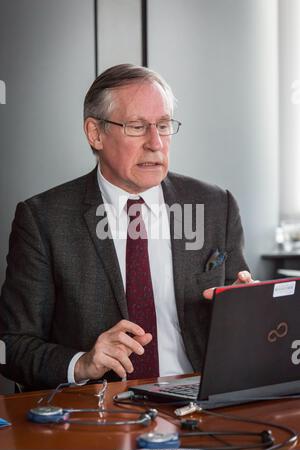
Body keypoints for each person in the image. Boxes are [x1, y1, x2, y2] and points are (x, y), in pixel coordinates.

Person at [0, 64, 253, 391]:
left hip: (199, 402)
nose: (156, 143)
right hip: (99, 411)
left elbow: (244, 322)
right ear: (95, 133)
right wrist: (83, 363)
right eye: (136, 126)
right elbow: (11, 344)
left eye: (163, 125)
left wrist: (248, 313)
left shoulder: (216, 206)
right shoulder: (43, 219)